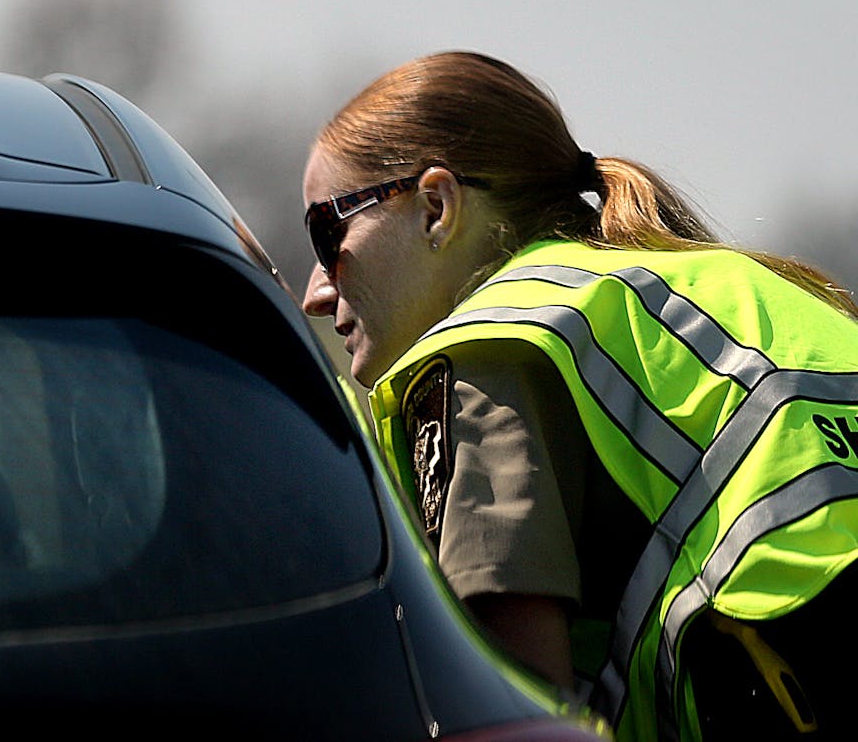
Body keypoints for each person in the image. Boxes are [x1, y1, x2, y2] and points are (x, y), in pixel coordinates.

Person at [299, 50, 858, 741]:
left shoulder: (488, 349)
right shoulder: (727, 287)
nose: (316, 291)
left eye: (328, 234)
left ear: (437, 208)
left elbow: (516, 709)